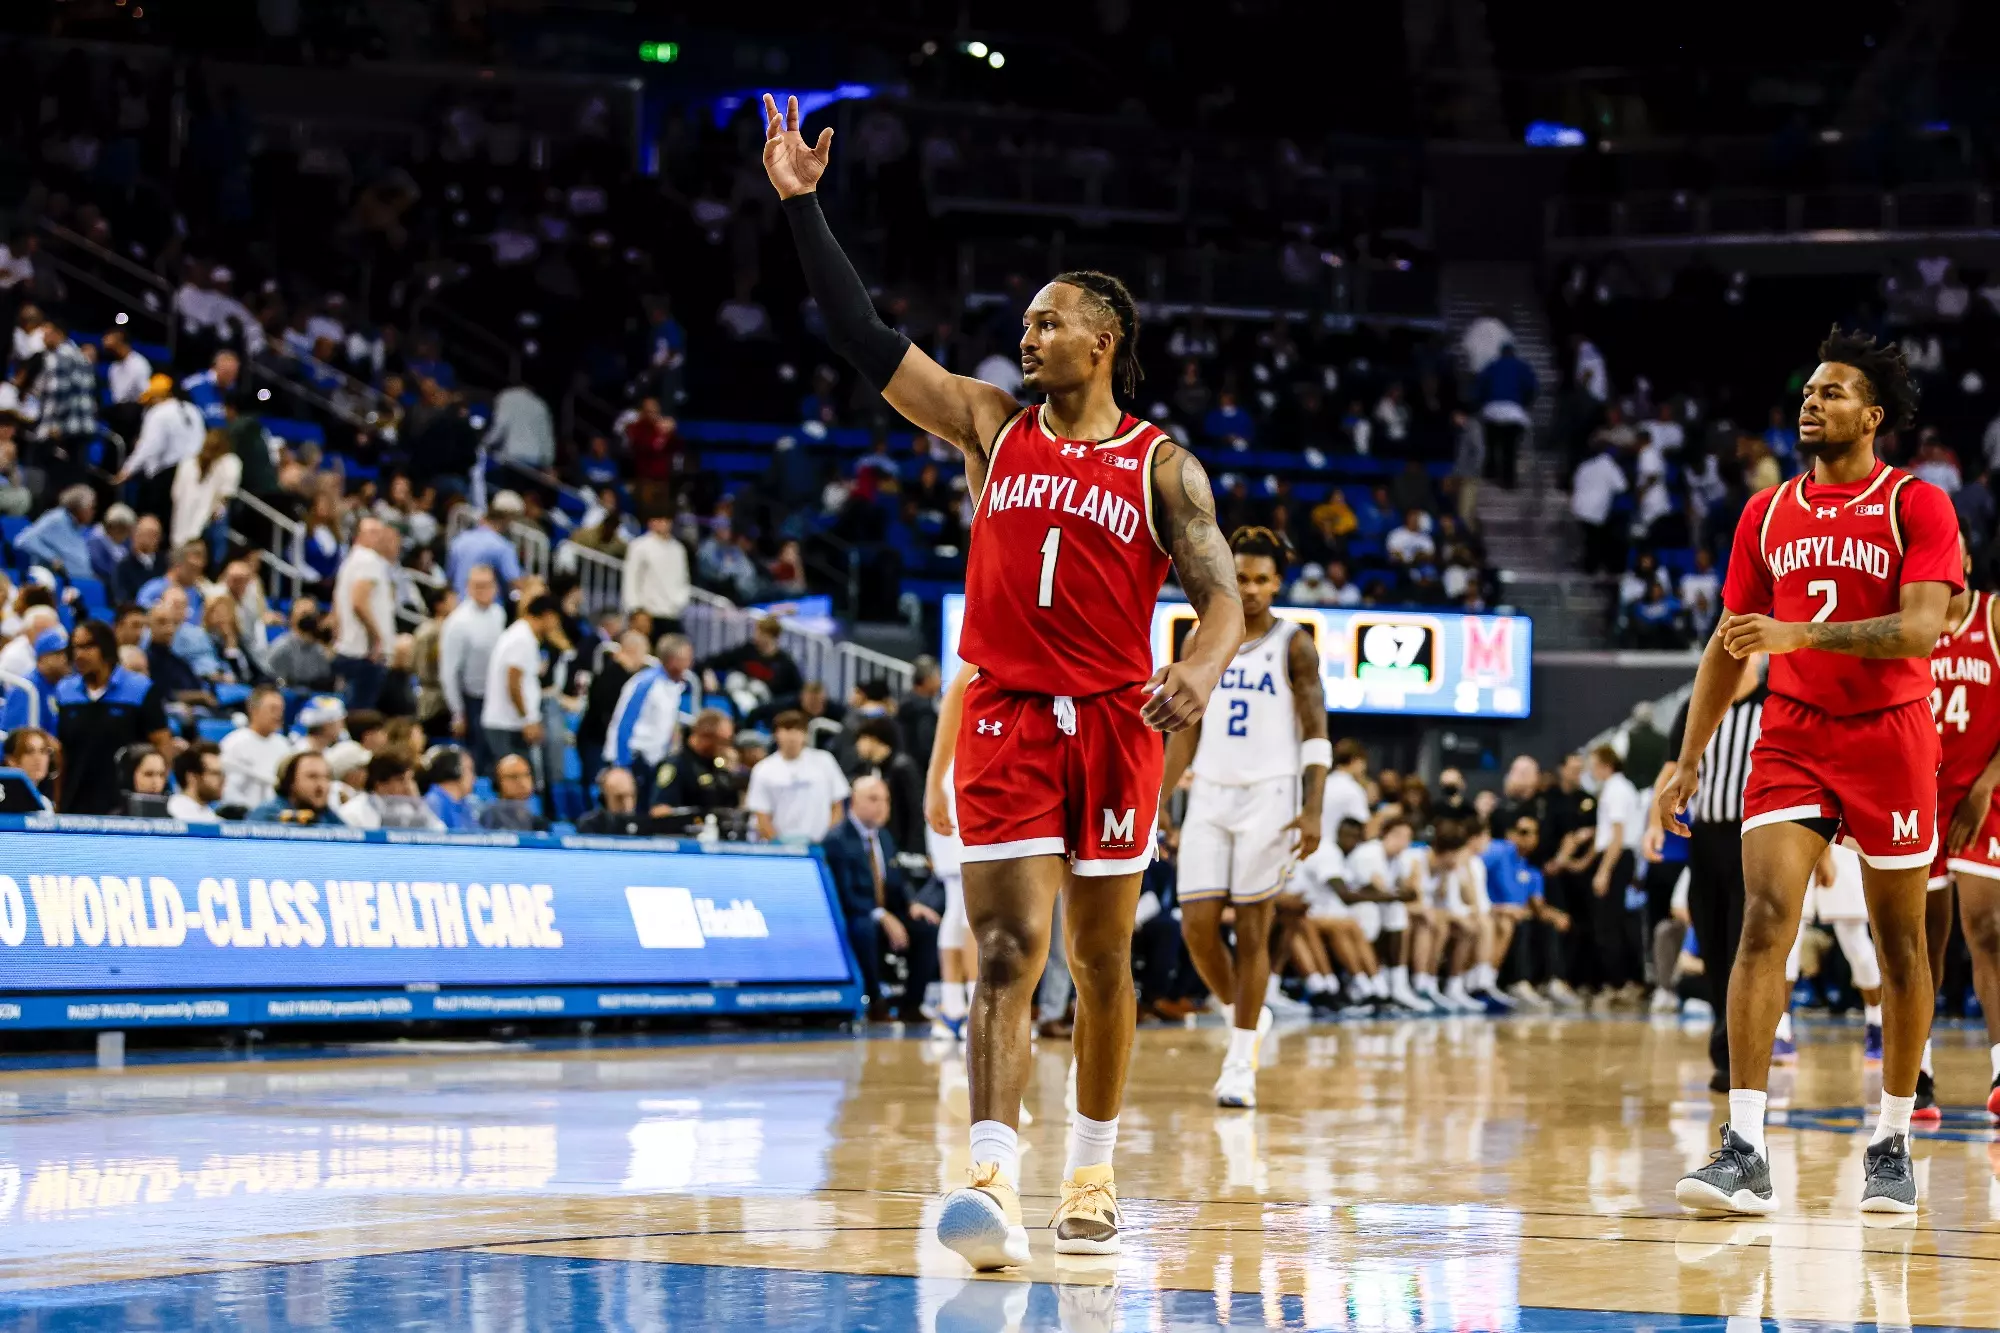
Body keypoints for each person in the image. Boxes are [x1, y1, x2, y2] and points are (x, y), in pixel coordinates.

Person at [763, 92, 1244, 1268]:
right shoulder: (988, 426)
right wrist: (802, 210)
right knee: (1005, 948)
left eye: (1049, 324)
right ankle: (988, 1171)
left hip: (1115, 729)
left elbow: (1222, 594)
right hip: (1007, 717)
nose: (1026, 338)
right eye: (1025, 323)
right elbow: (865, 339)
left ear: (1102, 343)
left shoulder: (1160, 466)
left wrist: (1193, 665)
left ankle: (1091, 1166)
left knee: (1100, 960)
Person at [1662, 327, 1959, 1216]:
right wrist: (1687, 756)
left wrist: (1802, 635)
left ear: (1872, 416)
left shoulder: (1916, 504)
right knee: (1762, 920)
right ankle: (1743, 1144)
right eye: (1808, 391)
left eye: (1832, 391)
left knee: (1901, 942)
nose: (1812, 401)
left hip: (1892, 734)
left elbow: (1917, 631)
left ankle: (1894, 1136)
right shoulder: (1767, 514)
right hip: (1792, 734)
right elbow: (1730, 640)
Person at [1159, 527, 1328, 1109]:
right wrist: (1160, 798)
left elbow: (1316, 730)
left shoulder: (1294, 643)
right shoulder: (1201, 640)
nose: (1251, 588)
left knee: (1253, 930)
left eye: (1262, 579)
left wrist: (1313, 807)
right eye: (1243, 577)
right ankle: (1246, 1017)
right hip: (1210, 791)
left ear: (1277, 582)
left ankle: (1239, 1062)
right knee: (1197, 928)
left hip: (1272, 795)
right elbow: (1186, 727)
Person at [1646, 653, 1768, 1090]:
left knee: (1744, 945)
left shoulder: (1775, 702)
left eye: (1744, 656)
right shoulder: (1699, 703)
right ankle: (1724, 1045)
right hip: (1707, 842)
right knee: (1714, 946)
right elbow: (1669, 767)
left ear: (1759, 661)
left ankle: (1743, 1058)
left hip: (1754, 839)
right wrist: (1650, 826)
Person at [1922, 542, 2000, 1119]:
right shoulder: (1910, 624)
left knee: (1989, 928)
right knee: (1917, 946)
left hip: (1981, 797)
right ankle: (1915, 1075)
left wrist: (1982, 787)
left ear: (1967, 563)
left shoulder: (1993, 616)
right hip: (1919, 798)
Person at [54, 618, 171, 815]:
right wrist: (57, 801)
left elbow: (161, 745)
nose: (79, 654)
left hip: (127, 806)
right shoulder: (65, 692)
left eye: (88, 646)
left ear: (107, 650)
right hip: (75, 803)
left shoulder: (140, 689)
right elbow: (60, 753)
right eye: (75, 648)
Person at [821, 774, 915, 1019]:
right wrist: (882, 916)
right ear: (853, 801)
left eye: (886, 800)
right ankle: (875, 1000)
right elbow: (844, 893)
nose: (882, 806)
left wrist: (913, 904)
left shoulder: (884, 836)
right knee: (864, 928)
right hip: (854, 914)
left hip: (883, 912)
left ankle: (911, 1004)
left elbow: (896, 881)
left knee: (925, 927)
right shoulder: (836, 839)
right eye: (873, 799)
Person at [1586, 744, 1643, 1005]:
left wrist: (1603, 871)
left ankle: (1616, 982)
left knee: (1608, 924)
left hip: (1615, 857)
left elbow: (1617, 836)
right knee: (1615, 922)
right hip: (1618, 857)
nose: (1590, 769)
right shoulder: (1620, 788)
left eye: (1593, 764)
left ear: (1606, 765)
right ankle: (1623, 980)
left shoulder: (1616, 791)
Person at [606, 634, 690, 809]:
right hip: (637, 758)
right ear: (673, 659)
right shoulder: (646, 683)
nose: (690, 664)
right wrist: (622, 764)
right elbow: (624, 723)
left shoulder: (674, 686)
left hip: (657, 759)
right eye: (687, 659)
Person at [482, 593, 562, 770]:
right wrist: (527, 719)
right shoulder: (521, 639)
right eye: (556, 619)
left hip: (510, 722)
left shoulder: (522, 635)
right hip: (507, 724)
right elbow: (513, 682)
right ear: (548, 615)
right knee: (514, 781)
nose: (556, 626)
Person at [745, 709, 850, 841]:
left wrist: (827, 840)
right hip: (782, 847)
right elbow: (761, 814)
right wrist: (778, 843)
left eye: (797, 730)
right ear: (777, 734)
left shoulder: (825, 761)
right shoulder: (763, 769)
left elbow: (837, 807)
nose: (792, 736)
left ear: (805, 734)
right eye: (787, 730)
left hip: (820, 844)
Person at [439, 564, 506, 766]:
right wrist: (458, 712)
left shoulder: (498, 613)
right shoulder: (458, 622)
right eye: (478, 585)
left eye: (487, 585)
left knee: (496, 755)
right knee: (478, 758)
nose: (483, 590)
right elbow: (448, 672)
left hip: (497, 694)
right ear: (468, 587)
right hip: (472, 699)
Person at [332, 517, 400, 710]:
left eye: (381, 532)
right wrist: (376, 639)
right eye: (373, 532)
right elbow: (359, 602)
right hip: (365, 653)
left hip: (349, 649)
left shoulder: (350, 561)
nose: (379, 538)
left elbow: (337, 604)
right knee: (361, 717)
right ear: (359, 536)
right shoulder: (369, 560)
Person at [649, 708, 739, 829]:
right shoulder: (676, 765)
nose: (726, 748)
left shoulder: (719, 767)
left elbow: (733, 807)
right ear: (705, 736)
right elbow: (659, 811)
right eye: (722, 742)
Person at [169, 428, 240, 553]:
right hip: (206, 526)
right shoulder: (229, 462)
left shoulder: (187, 463)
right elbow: (226, 495)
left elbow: (175, 494)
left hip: (184, 527)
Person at [220, 685, 291, 810]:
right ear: (253, 710)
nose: (278, 715)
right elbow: (227, 788)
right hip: (242, 813)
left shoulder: (284, 745)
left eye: (281, 710)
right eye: (272, 709)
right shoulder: (234, 743)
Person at [338, 750, 444, 830]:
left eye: (411, 779)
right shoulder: (354, 813)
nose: (409, 787)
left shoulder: (408, 807)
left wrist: (417, 804)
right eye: (401, 780)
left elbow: (440, 832)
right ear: (380, 784)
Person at [446, 491, 525, 594]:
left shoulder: (460, 539)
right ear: (508, 519)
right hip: (487, 607)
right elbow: (516, 582)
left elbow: (449, 577)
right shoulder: (503, 546)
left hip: (458, 605)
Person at [622, 513, 691, 631]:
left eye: (665, 519)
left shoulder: (678, 549)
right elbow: (631, 579)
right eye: (658, 519)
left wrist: (680, 601)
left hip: (672, 613)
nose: (662, 523)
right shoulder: (639, 546)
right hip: (647, 613)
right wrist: (635, 609)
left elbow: (684, 579)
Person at [17, 484, 95, 576]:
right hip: (60, 581)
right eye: (91, 508)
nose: (93, 512)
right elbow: (24, 540)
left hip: (82, 581)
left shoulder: (81, 527)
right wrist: (52, 558)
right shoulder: (56, 519)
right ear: (79, 507)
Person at [0, 627, 68, 733]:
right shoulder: (26, 688)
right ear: (41, 659)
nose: (64, 659)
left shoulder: (56, 685)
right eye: (57, 654)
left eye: (65, 654)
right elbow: (21, 737)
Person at [248, 751, 343, 825]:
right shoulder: (268, 815)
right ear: (290, 782)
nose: (321, 784)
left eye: (326, 777)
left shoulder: (328, 816)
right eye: (312, 776)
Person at [268, 598, 334, 689]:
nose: (308, 619)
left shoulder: (320, 650)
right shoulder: (281, 648)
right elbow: (274, 681)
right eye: (304, 614)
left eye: (312, 615)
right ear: (291, 618)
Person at [480, 753, 547, 831]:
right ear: (497, 783)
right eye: (514, 776)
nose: (523, 783)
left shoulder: (537, 822)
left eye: (527, 775)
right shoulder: (489, 817)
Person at [421, 747, 481, 831]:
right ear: (455, 770)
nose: (474, 778)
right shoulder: (433, 803)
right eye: (470, 770)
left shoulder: (464, 804)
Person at [577, 765, 647, 836]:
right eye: (619, 797)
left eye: (632, 796)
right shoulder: (590, 824)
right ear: (603, 798)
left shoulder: (645, 825)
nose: (627, 804)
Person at [167, 742, 224, 823]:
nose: (222, 780)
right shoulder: (171, 813)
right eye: (214, 773)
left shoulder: (212, 817)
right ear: (192, 777)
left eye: (221, 774)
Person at [118, 743, 169, 814]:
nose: (156, 782)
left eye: (161, 775)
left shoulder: (176, 816)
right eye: (149, 774)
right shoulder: (114, 820)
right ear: (130, 776)